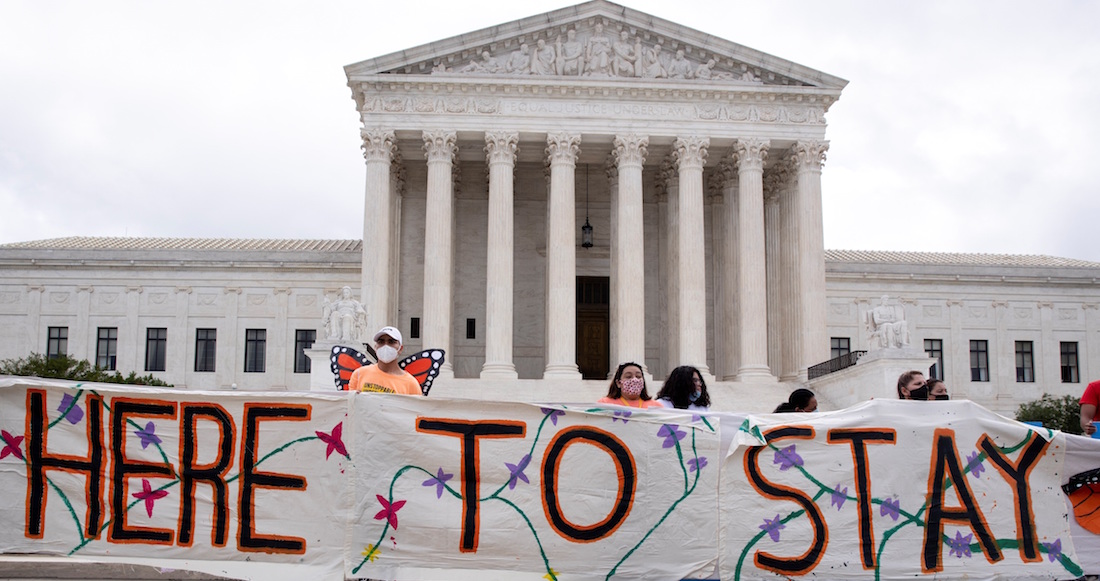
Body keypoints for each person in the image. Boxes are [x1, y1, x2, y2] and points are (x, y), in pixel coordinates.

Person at [349, 326, 422, 396]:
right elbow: (349, 402)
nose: (385, 345)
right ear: (375, 347)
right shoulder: (359, 374)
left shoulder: (411, 384)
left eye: (391, 342)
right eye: (381, 342)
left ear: (400, 349)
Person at [598, 362, 663, 409]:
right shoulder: (604, 404)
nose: (634, 380)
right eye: (628, 376)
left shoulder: (656, 406)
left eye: (638, 376)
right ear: (618, 383)